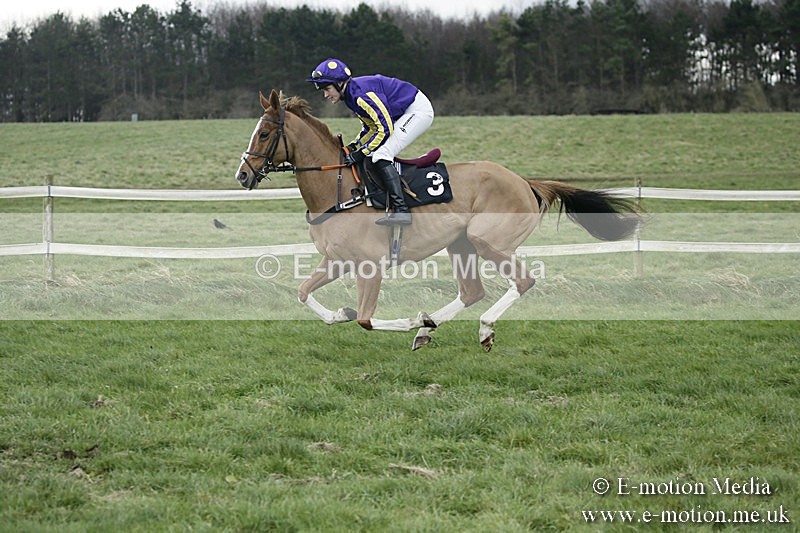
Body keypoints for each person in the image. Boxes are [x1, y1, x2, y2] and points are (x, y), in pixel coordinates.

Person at [306, 58, 434, 225]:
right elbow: (370, 128)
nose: (325, 95)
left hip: (417, 111)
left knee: (382, 154)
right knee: (373, 152)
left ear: (339, 84)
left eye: (327, 89)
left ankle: (402, 211)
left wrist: (361, 152)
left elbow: (385, 129)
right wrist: (355, 145)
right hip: (401, 113)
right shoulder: (350, 96)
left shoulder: (360, 96)